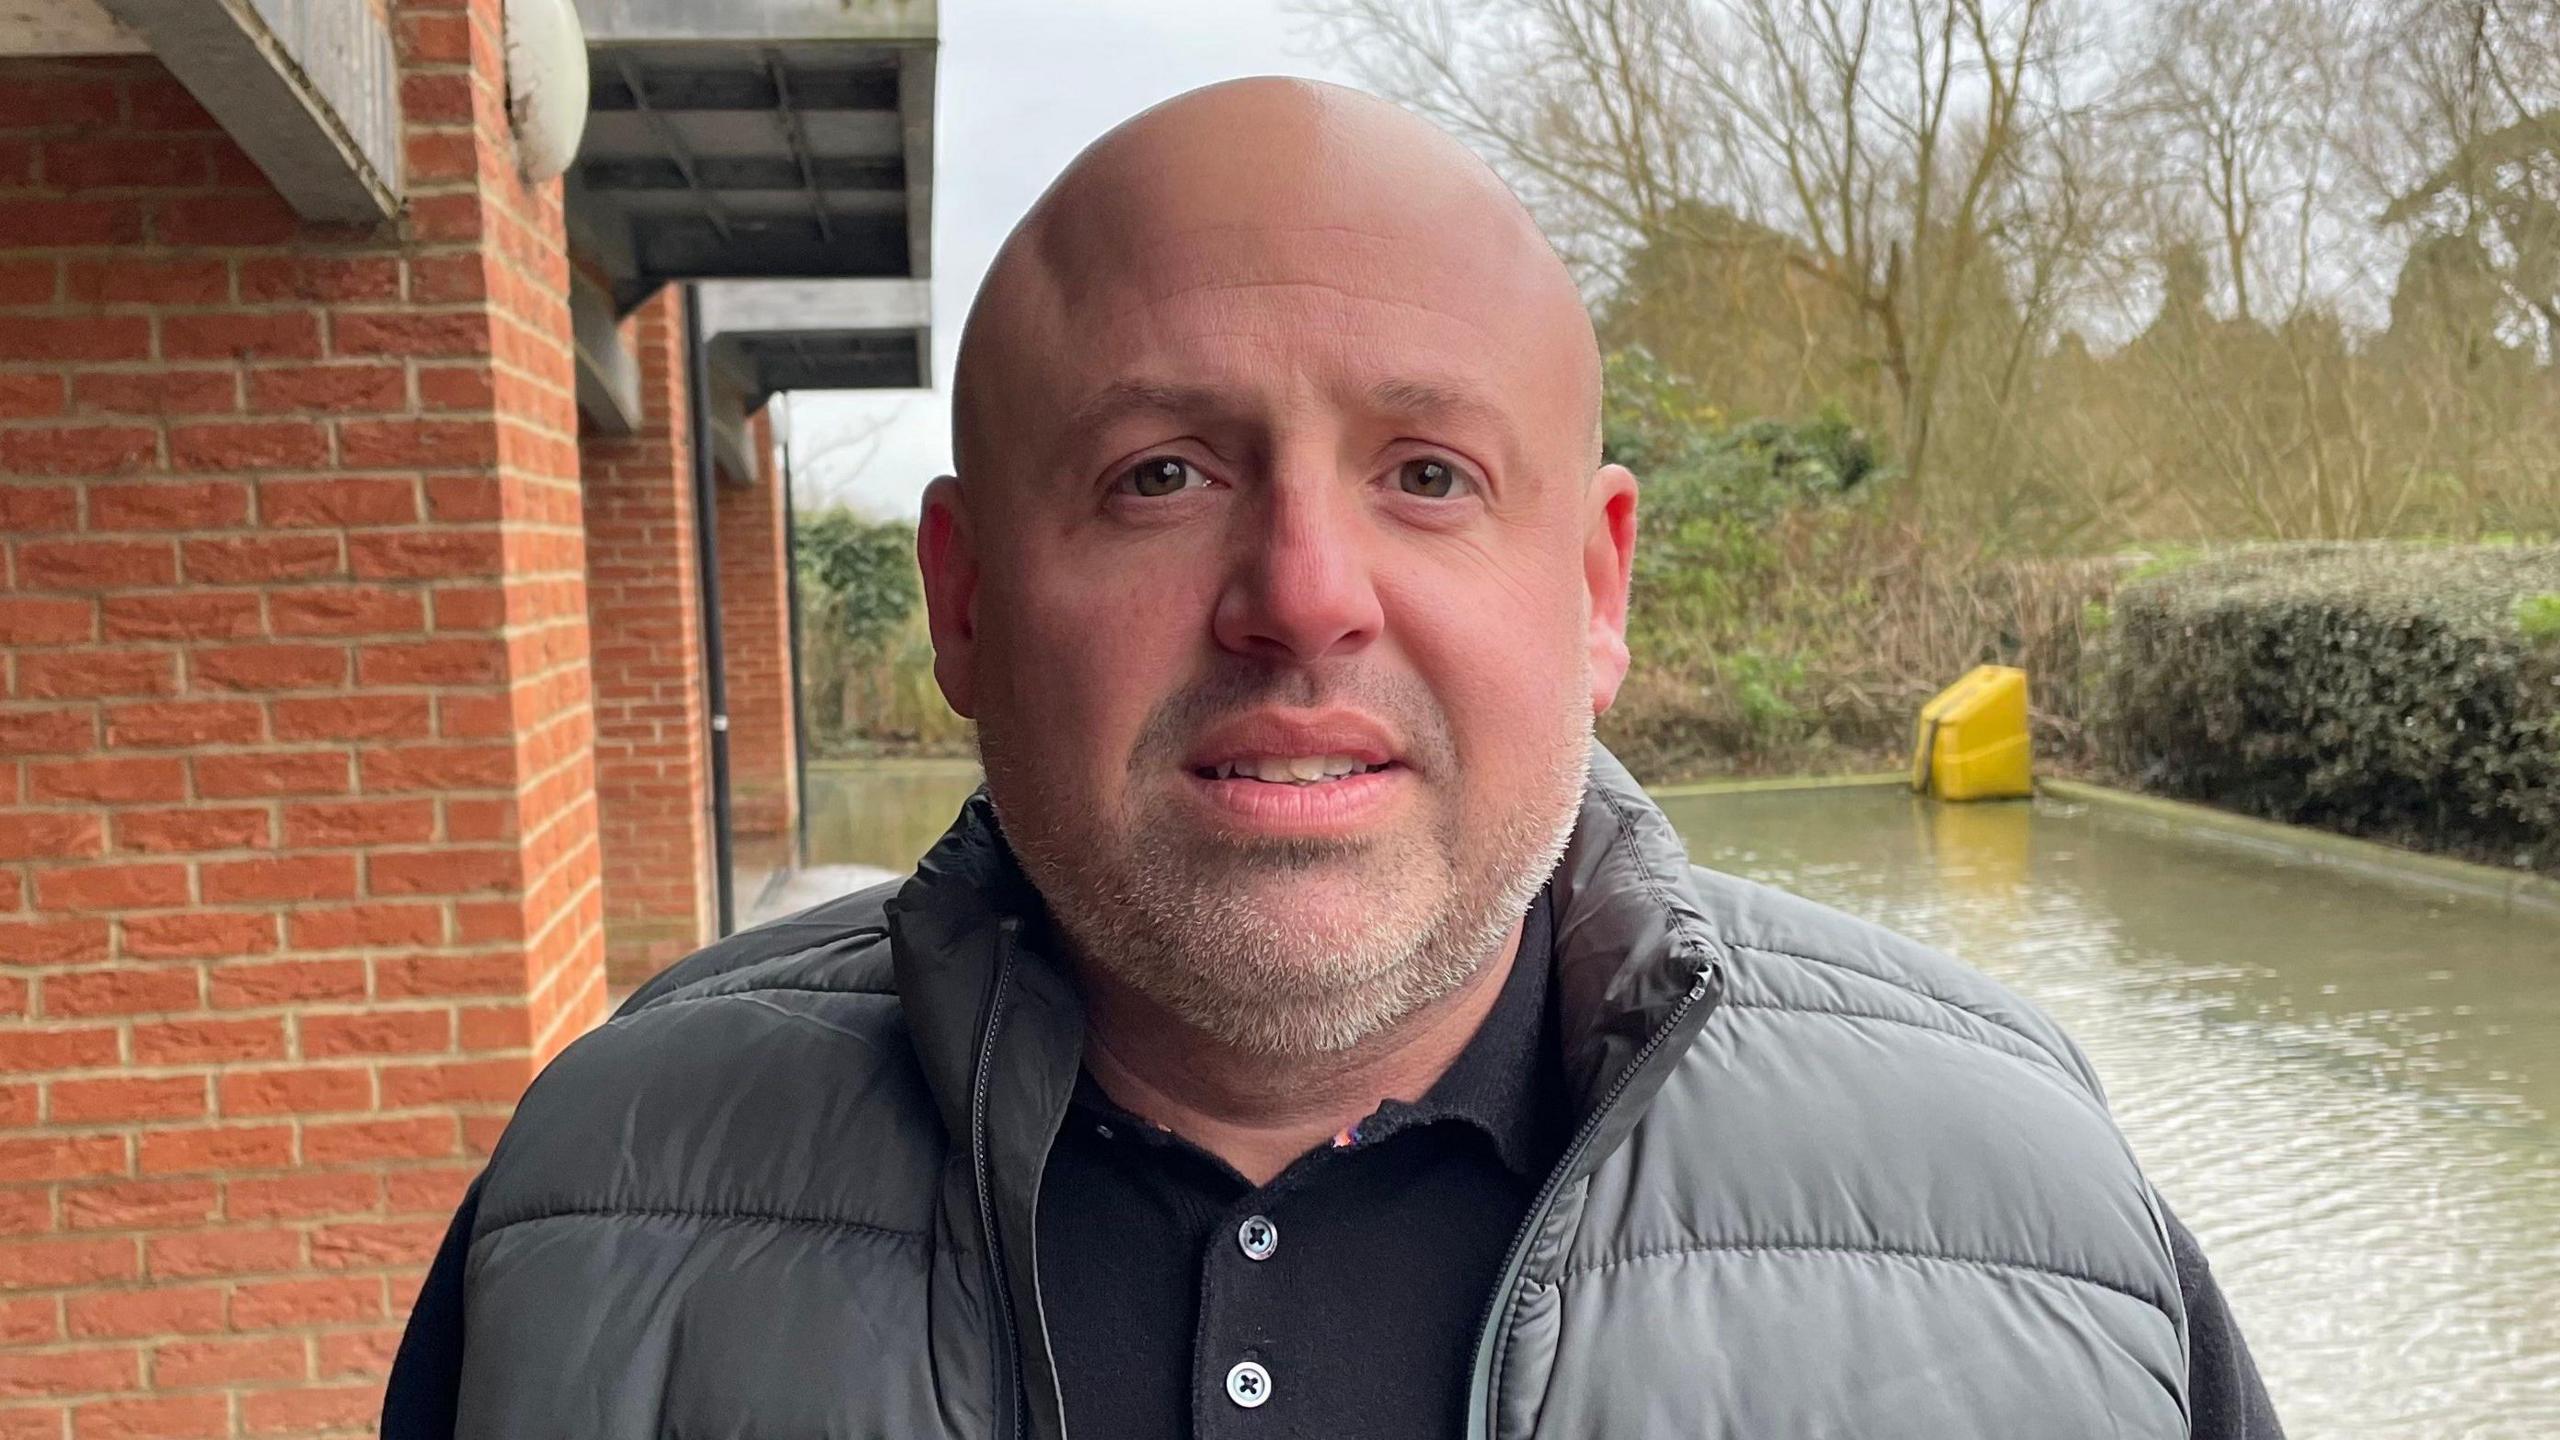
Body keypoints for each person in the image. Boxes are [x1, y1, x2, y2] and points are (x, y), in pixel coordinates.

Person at [383, 78, 2279, 1439]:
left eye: (1428, 476)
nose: (1302, 596)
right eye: (1163, 476)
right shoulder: (590, 1222)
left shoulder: (2041, 1242)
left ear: (1597, 584)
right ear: (961, 603)